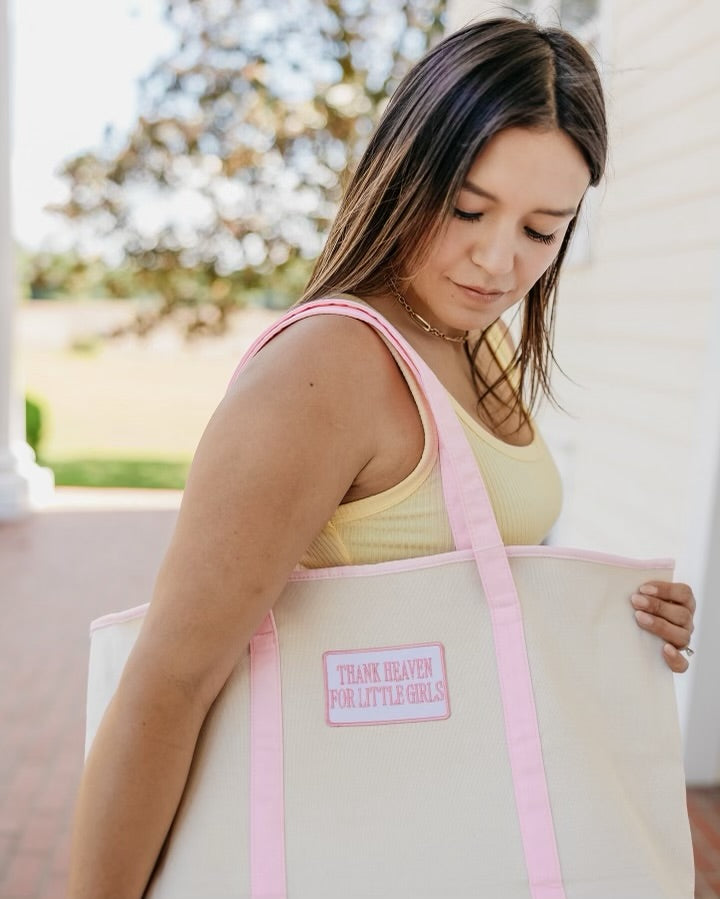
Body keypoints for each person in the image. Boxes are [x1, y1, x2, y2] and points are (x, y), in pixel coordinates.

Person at [67, 15, 697, 898]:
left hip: (447, 830)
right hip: (344, 839)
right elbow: (166, 683)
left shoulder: (471, 342)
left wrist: (606, 618)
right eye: (469, 208)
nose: (497, 259)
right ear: (404, 170)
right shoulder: (326, 370)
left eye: (542, 230)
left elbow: (455, 577)